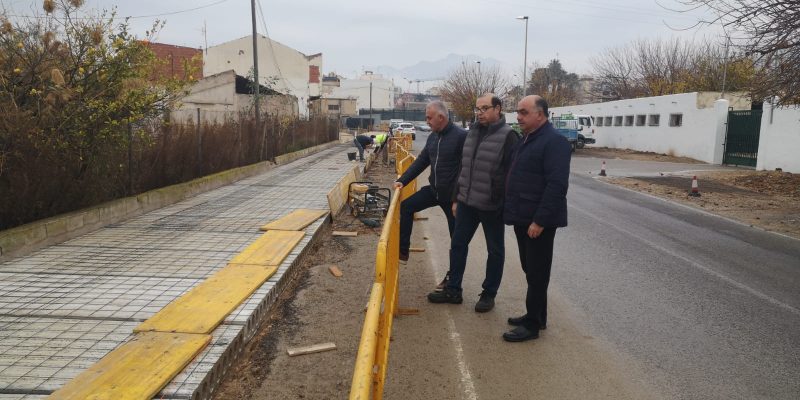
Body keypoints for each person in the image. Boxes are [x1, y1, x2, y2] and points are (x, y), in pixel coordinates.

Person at [428, 93, 519, 312]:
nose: (480, 113)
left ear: (498, 109)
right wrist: (456, 198)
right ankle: (454, 290)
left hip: (491, 205)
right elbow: (464, 167)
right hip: (467, 202)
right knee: (458, 245)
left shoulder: (509, 137)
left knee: (495, 251)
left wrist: (501, 202)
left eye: (485, 108)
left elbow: (511, 175)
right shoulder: (472, 133)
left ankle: (488, 294)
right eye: (477, 109)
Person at [502, 95, 571, 342]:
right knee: (530, 270)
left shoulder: (555, 142)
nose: (518, 117)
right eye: (518, 112)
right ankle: (537, 316)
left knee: (538, 273)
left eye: (523, 112)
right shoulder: (527, 139)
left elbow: (556, 185)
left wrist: (540, 221)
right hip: (522, 217)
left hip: (537, 222)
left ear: (540, 114)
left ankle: (532, 326)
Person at [395, 101, 466, 291]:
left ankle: (453, 281)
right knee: (406, 206)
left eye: (429, 118)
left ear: (441, 118)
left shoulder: (461, 137)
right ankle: (403, 250)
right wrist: (402, 180)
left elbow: (466, 170)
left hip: (452, 198)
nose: (426, 121)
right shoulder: (433, 137)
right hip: (434, 191)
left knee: (457, 241)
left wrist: (458, 199)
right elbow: (422, 161)